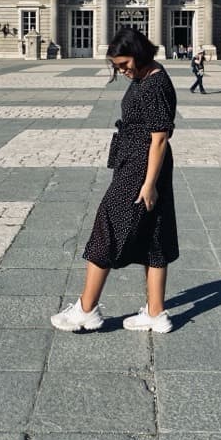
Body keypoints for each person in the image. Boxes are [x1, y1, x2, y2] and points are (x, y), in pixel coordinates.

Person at [51, 27, 179, 334]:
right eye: (117, 66)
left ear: (139, 55)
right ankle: (156, 312)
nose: (121, 71)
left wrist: (148, 184)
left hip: (141, 167)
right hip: (138, 163)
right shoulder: (145, 77)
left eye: (123, 64)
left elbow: (159, 138)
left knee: (106, 228)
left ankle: (86, 309)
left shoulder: (155, 84)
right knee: (152, 232)